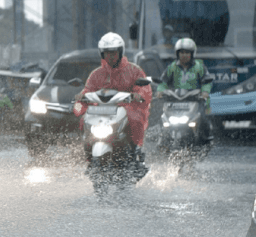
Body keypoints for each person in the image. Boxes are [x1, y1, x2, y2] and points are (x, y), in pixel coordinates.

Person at [74, 32, 152, 162]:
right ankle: (88, 153)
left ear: (120, 52)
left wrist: (138, 95)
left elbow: (145, 89)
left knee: (135, 118)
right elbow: (88, 89)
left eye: (113, 52)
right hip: (101, 111)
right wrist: (80, 99)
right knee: (84, 120)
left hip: (126, 109)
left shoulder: (134, 70)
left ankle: (136, 148)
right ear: (102, 54)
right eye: (107, 53)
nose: (110, 56)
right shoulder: (96, 74)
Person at [156, 37, 213, 139]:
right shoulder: (172, 67)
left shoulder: (199, 67)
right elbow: (163, 81)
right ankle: (162, 139)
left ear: (192, 54)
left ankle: (205, 138)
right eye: (181, 52)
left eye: (187, 52)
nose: (184, 55)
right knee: (162, 119)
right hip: (175, 100)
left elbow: (207, 81)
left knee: (203, 118)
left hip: (195, 99)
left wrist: (205, 92)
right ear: (177, 54)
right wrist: (160, 91)